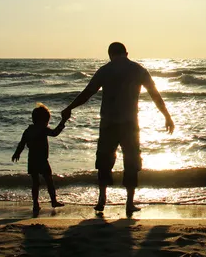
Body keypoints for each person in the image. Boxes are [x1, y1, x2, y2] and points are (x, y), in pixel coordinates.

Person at [61, 42, 174, 217]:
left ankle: (101, 199)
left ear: (110, 54)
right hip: (130, 123)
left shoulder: (105, 70)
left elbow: (87, 92)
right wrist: (167, 116)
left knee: (104, 161)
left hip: (108, 123)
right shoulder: (138, 69)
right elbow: (155, 94)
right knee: (131, 162)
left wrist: (70, 107)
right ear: (126, 53)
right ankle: (129, 203)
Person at [12, 103, 67, 214]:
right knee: (49, 181)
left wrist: (17, 153)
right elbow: (55, 133)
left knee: (35, 183)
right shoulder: (43, 129)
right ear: (44, 120)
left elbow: (22, 143)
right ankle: (53, 201)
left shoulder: (28, 130)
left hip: (32, 159)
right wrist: (63, 122)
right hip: (42, 160)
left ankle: (35, 204)